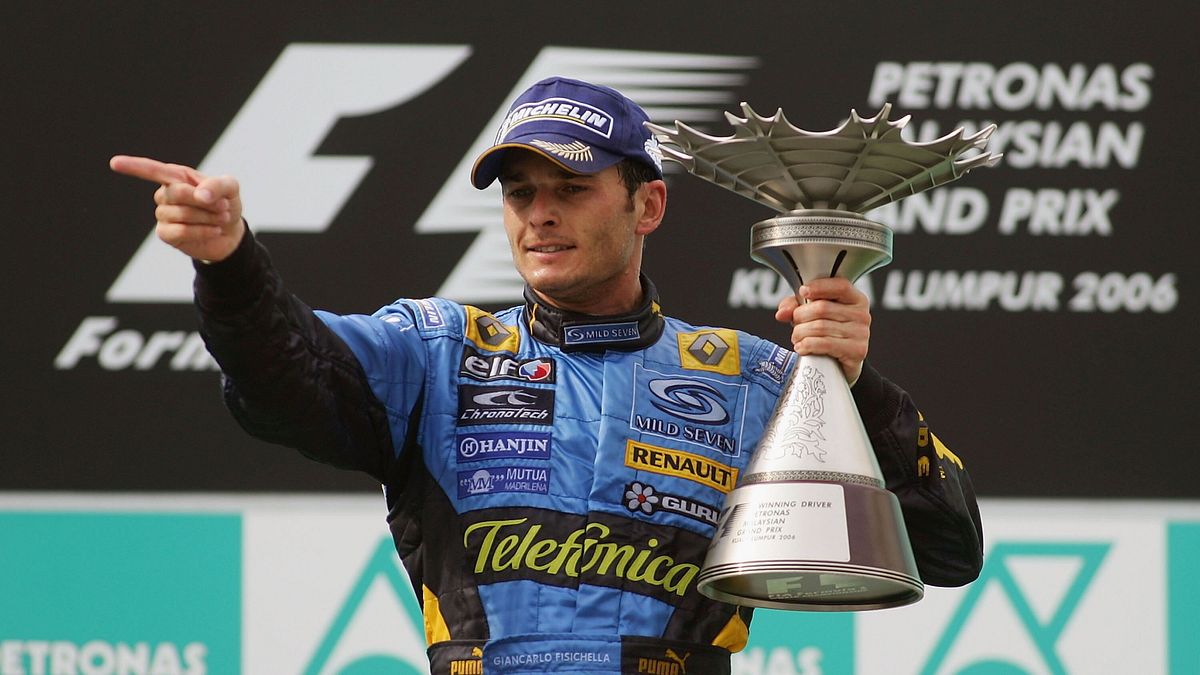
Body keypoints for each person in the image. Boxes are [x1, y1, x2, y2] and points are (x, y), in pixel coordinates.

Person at [111, 76, 982, 674]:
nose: (540, 214)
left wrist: (854, 384)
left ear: (648, 204)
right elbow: (284, 380)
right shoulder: (438, 350)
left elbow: (947, 545)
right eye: (520, 192)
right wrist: (229, 263)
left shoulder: (751, 378)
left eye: (569, 184)